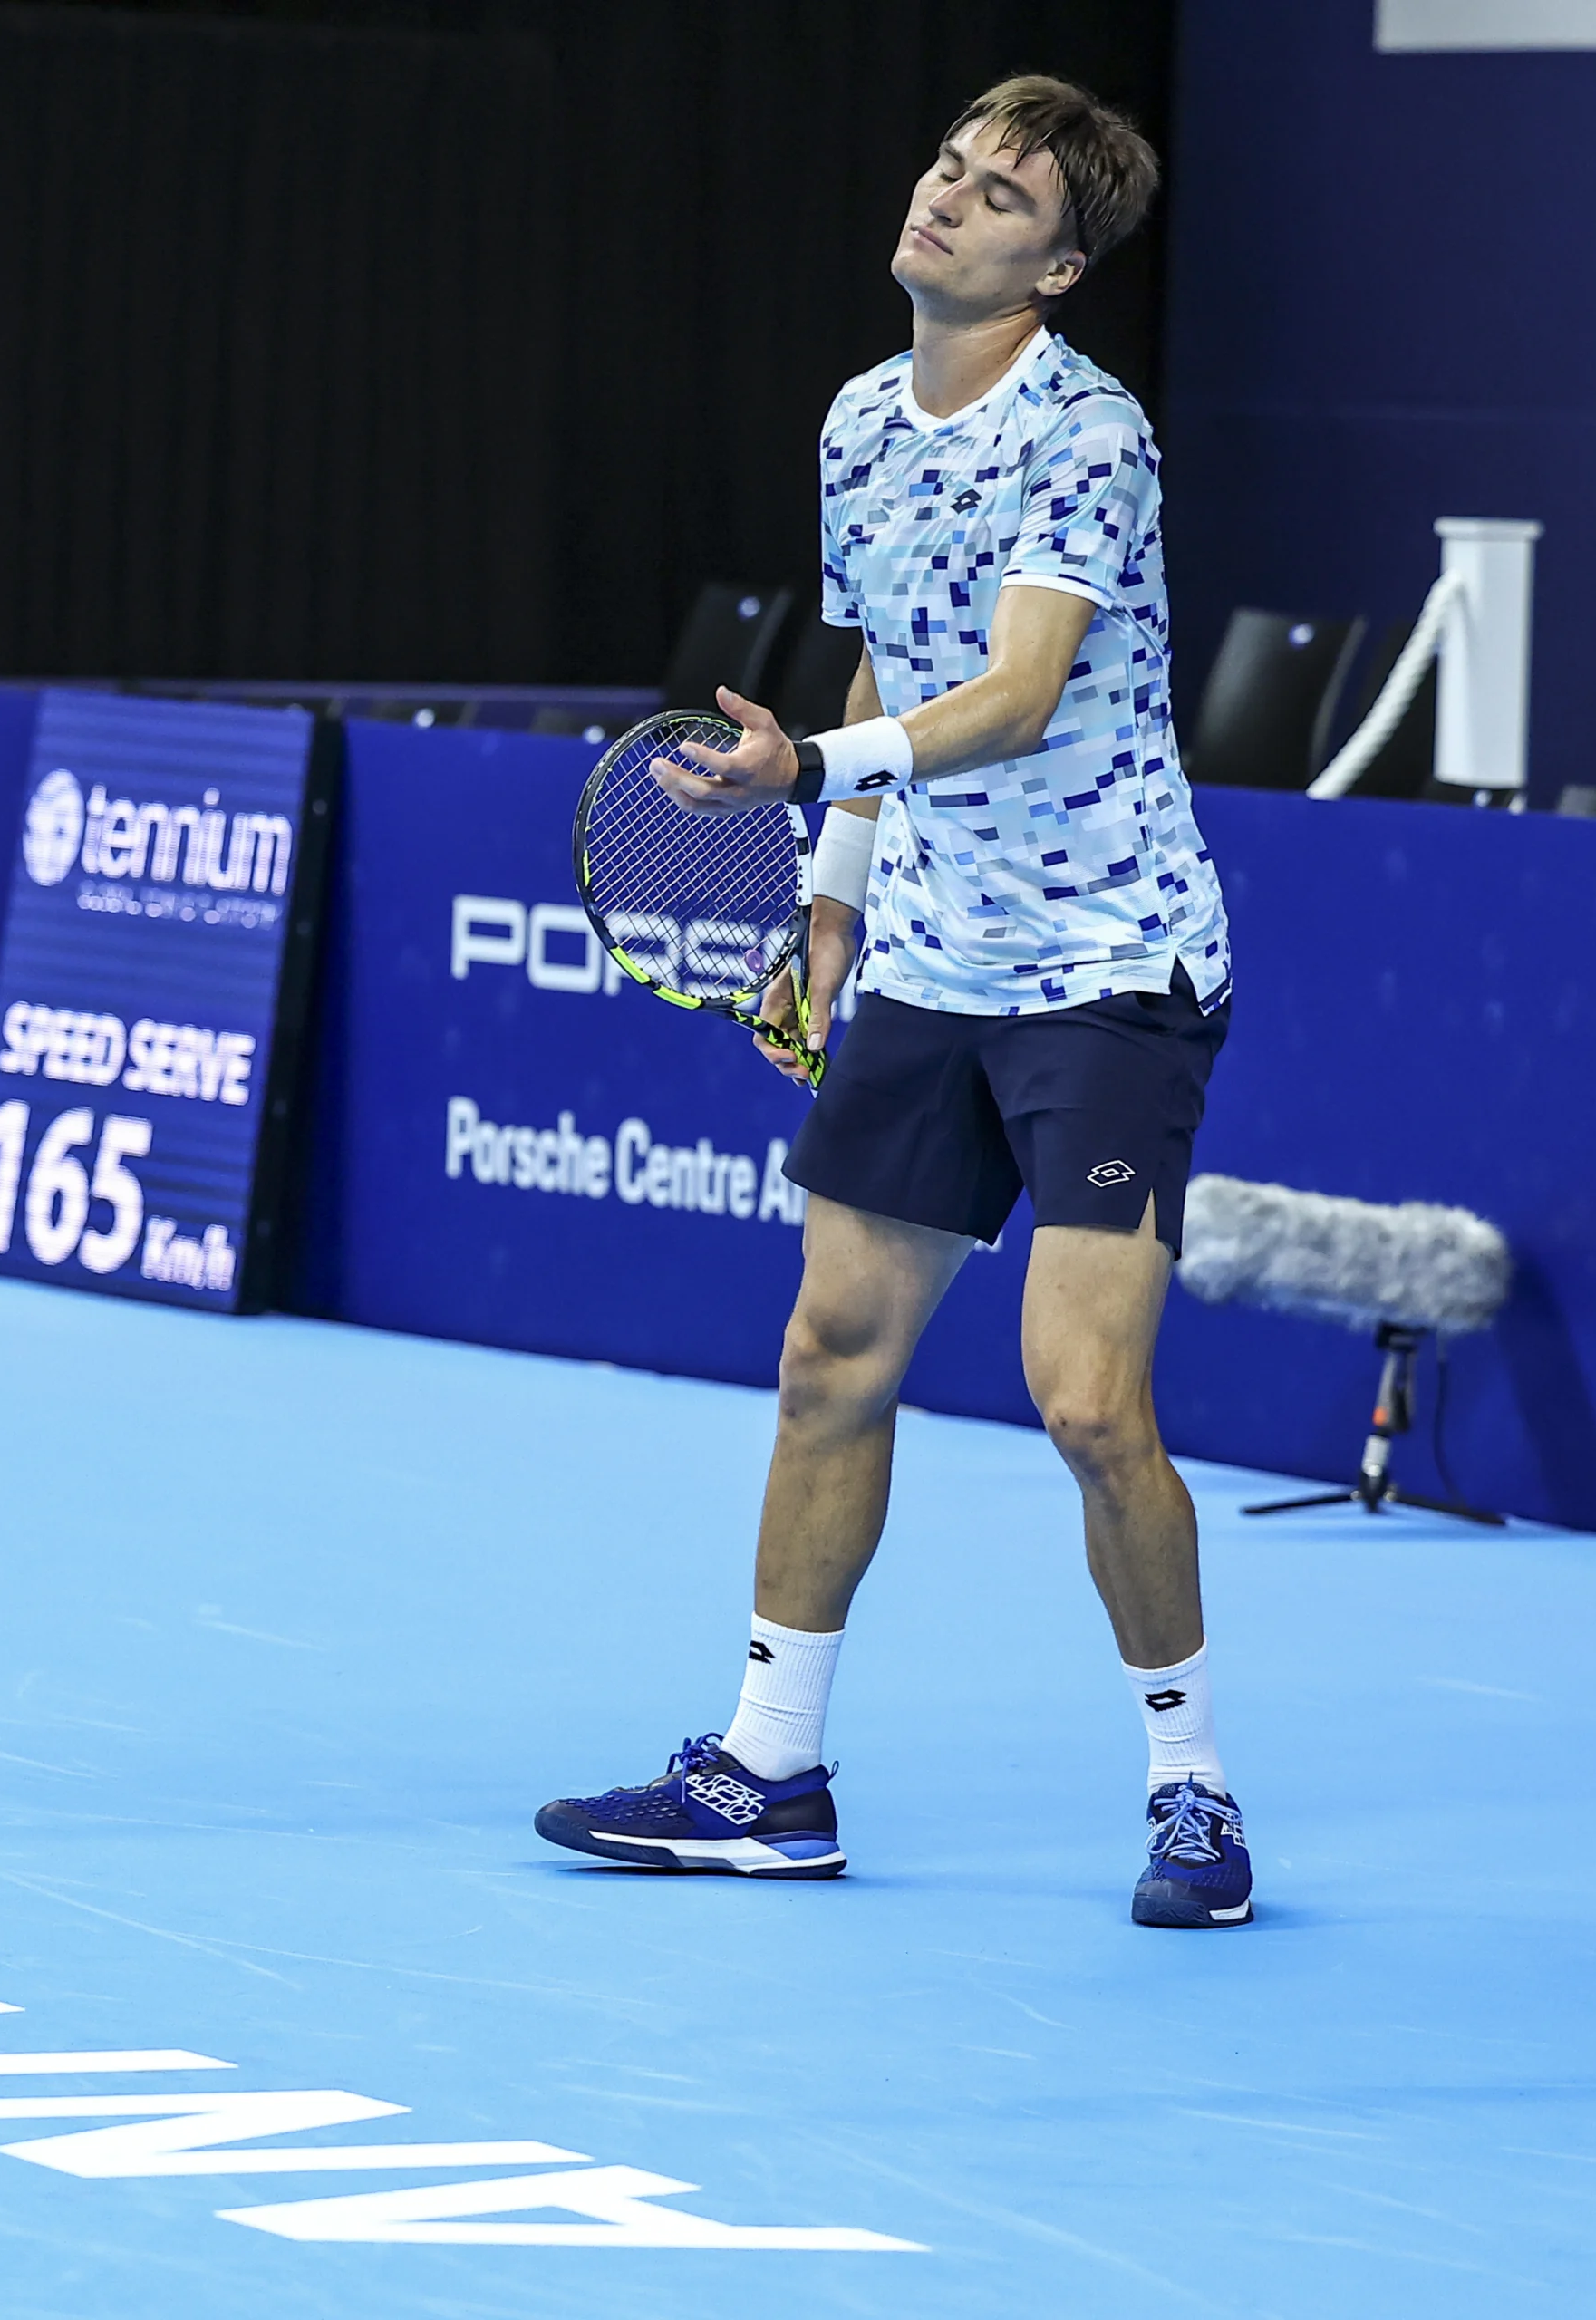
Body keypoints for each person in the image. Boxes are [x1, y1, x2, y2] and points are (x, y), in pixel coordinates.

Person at [532, 79, 1253, 1928]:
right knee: (827, 1353)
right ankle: (769, 1769)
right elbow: (893, 647)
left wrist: (802, 778)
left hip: (1106, 964)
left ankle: (1193, 1785)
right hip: (929, 954)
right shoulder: (862, 417)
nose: (946, 202)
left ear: (1058, 265)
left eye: (997, 194)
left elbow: (1011, 693)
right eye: (946, 168)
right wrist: (834, 899)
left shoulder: (1091, 436)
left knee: (1088, 1402)